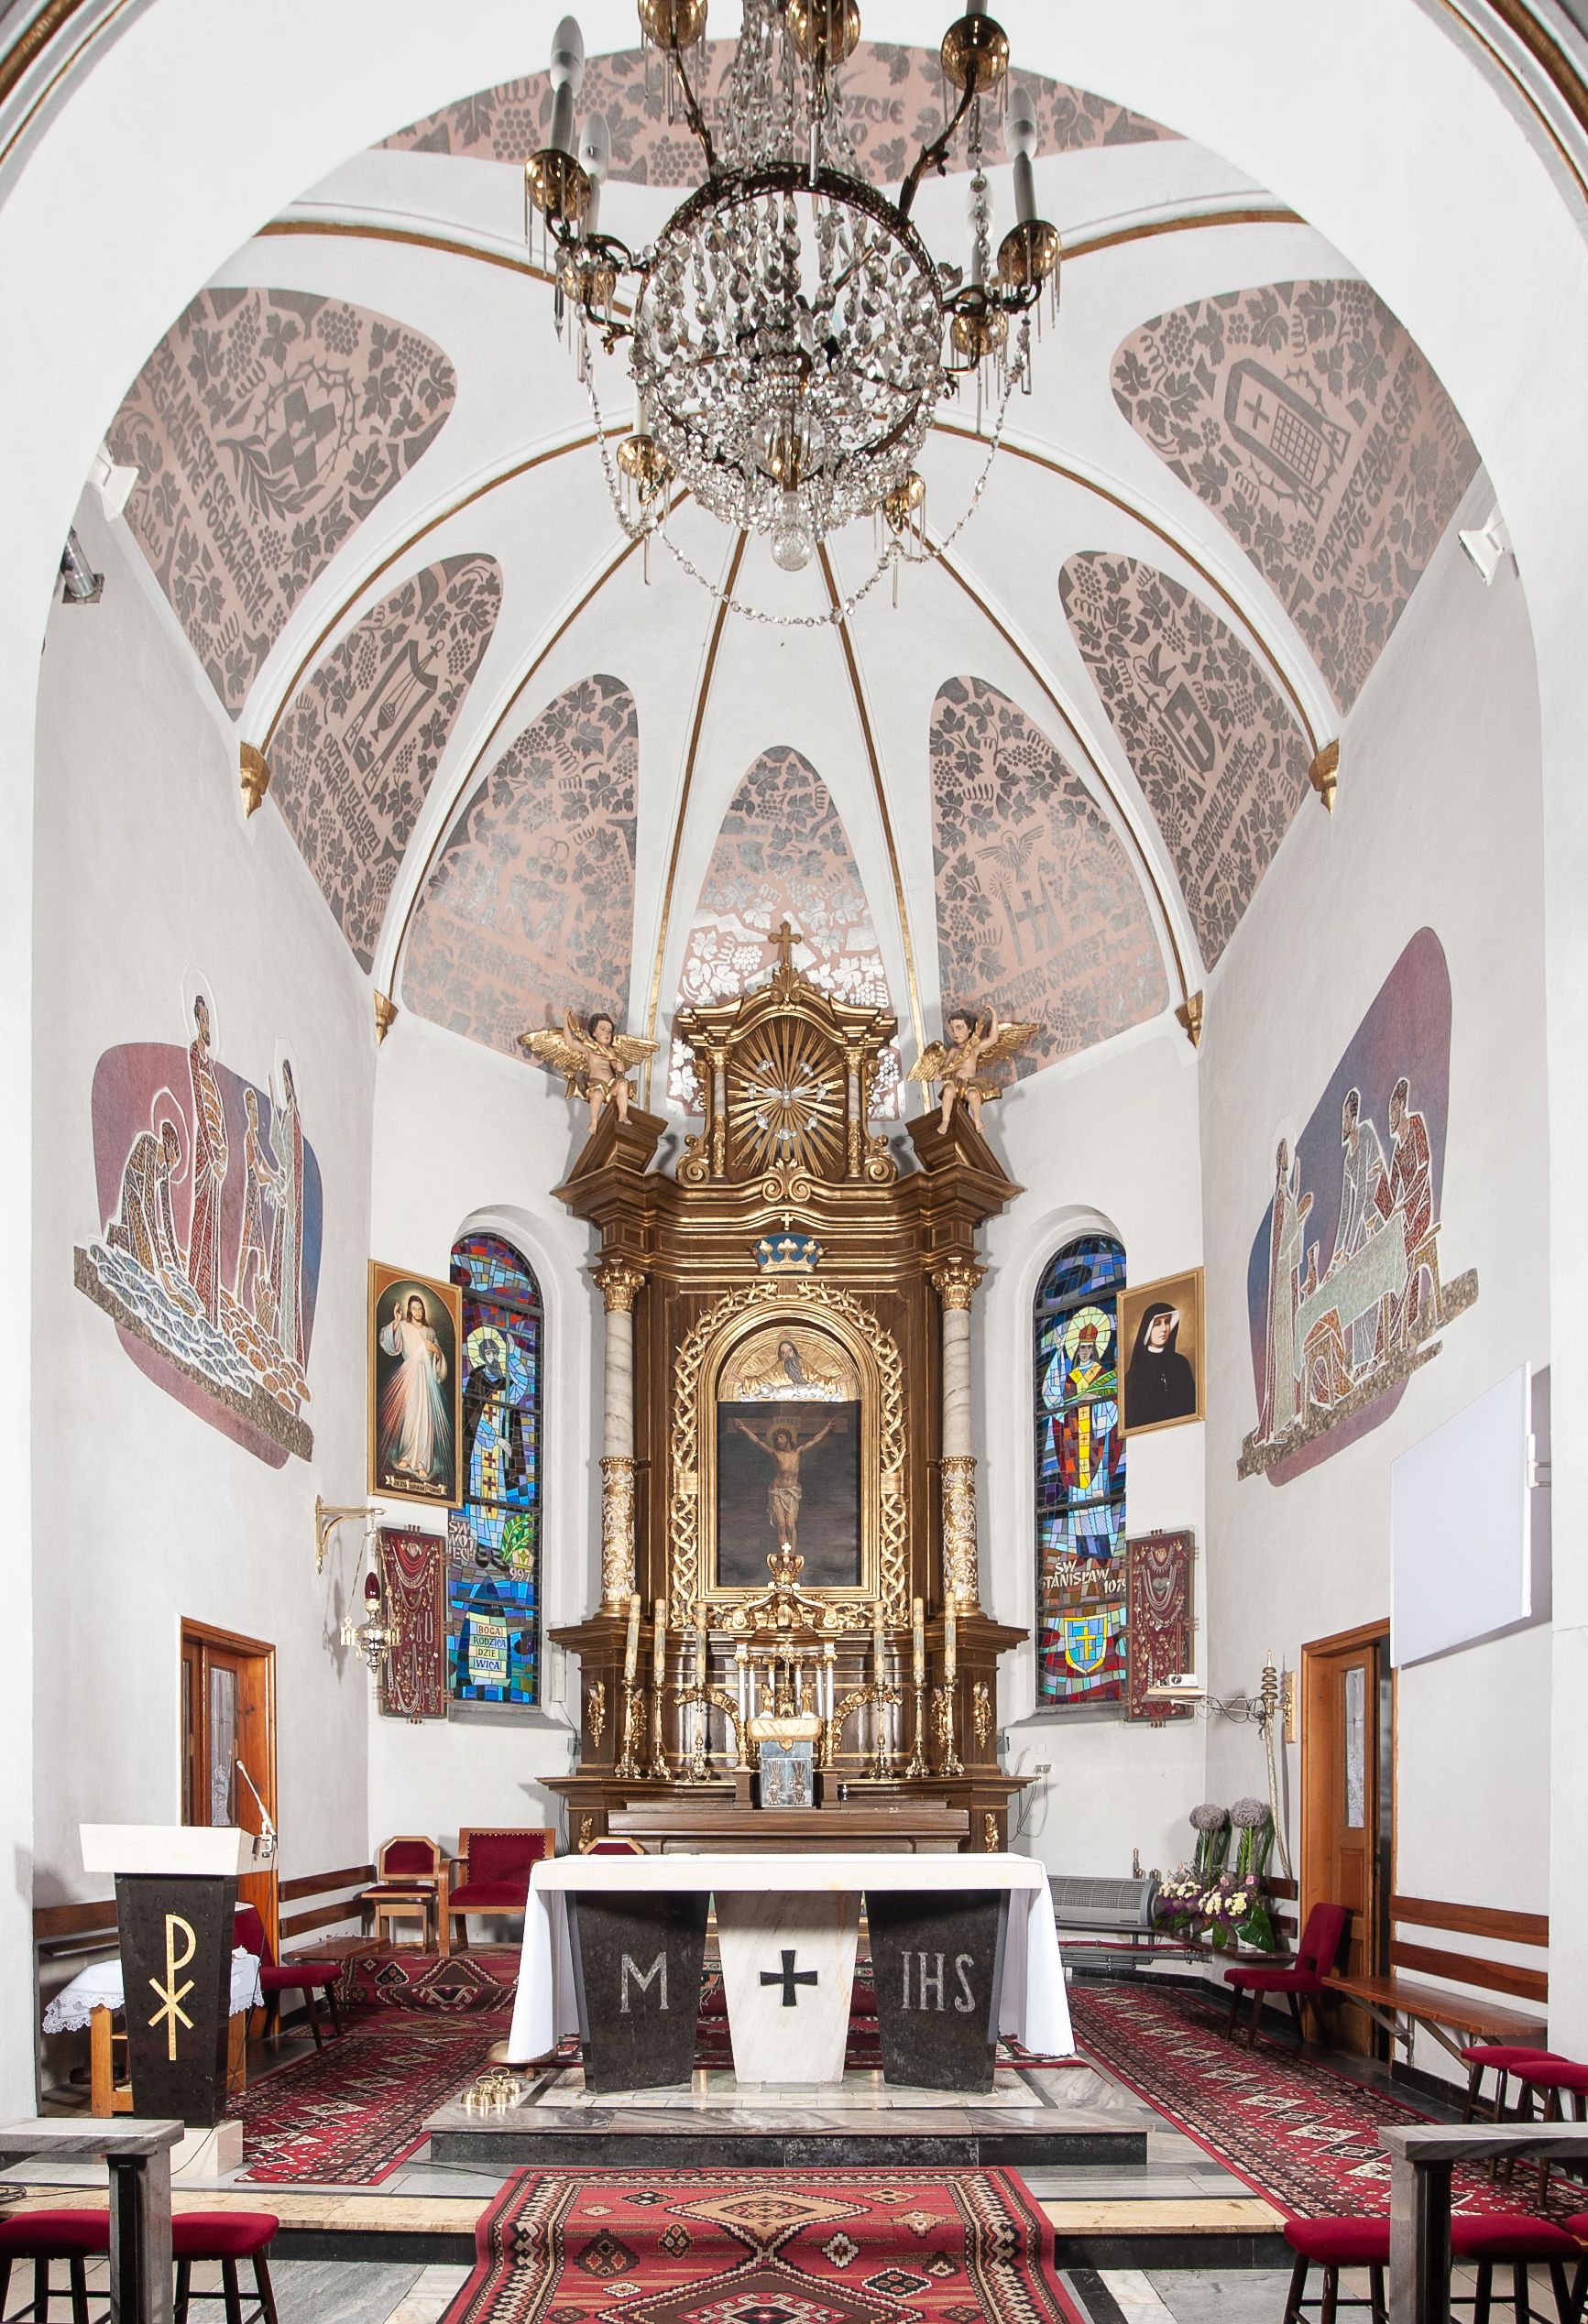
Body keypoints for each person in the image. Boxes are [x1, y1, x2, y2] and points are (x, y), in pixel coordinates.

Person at [729, 1411, 839, 1557]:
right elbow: (757, 1441)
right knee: (781, 1524)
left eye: (781, 1437)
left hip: (792, 1492)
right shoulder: (775, 1453)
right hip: (777, 1492)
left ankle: (792, 1556)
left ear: (787, 1438)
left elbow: (815, 1440)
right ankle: (784, 1554)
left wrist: (827, 1428)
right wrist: (743, 1428)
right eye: (776, 1438)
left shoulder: (797, 1452)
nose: (778, 1440)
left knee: (790, 1524)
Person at [378, 1290, 453, 1489]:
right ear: (409, 1310)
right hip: (410, 1373)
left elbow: (439, 1356)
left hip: (426, 1376)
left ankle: (422, 1464)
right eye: (414, 1308)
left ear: (423, 1310)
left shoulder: (430, 1332)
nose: (417, 1311)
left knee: (425, 1419)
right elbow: (390, 1344)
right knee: (410, 1415)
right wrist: (396, 1321)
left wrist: (435, 1351)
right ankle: (406, 1456)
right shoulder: (403, 1326)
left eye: (420, 1308)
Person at [185, 994, 228, 1328]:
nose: (206, 1025)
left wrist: (223, 1148)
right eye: (202, 1019)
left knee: (212, 1220)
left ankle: (208, 1297)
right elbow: (202, 1105)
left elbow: (218, 1113)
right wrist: (213, 1152)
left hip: (216, 1152)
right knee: (202, 1215)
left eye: (208, 1020)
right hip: (205, 1151)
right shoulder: (195, 1057)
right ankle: (196, 1285)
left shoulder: (210, 1066)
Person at [1333, 1086, 1387, 1270]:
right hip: (1366, 1213)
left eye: (1347, 1117)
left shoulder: (1365, 1134)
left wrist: (1348, 1252)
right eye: (1343, 1118)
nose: (1344, 1123)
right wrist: (1337, 1257)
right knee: (1362, 1264)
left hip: (1380, 1204)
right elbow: (1346, 1208)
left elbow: (1362, 1193)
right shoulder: (1348, 1161)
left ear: (1354, 1118)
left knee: (1371, 1252)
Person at [1124, 1301, 1197, 1427]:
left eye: (1167, 1322)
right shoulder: (1135, 1373)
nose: (1164, 1328)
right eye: (1158, 1324)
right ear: (1148, 1328)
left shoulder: (1181, 1363)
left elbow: (1191, 1404)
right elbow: (1133, 1417)